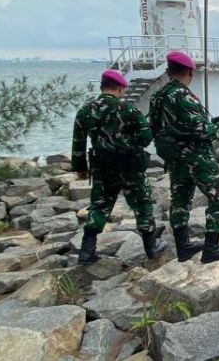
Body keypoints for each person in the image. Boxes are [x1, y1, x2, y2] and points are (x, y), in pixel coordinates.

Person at [149, 51, 219, 263]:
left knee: (180, 199)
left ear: (169, 70)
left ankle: (183, 246)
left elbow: (155, 128)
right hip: (197, 157)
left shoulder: (157, 97)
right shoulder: (182, 96)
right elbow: (202, 131)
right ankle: (212, 248)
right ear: (189, 71)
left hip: (174, 158)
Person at [72, 69, 167, 265]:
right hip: (129, 166)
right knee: (142, 204)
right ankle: (151, 247)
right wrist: (128, 142)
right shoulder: (128, 109)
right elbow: (146, 137)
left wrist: (81, 167)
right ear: (120, 88)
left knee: (99, 205)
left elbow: (78, 143)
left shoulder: (85, 111)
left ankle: (86, 250)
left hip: (102, 166)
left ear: (102, 87)